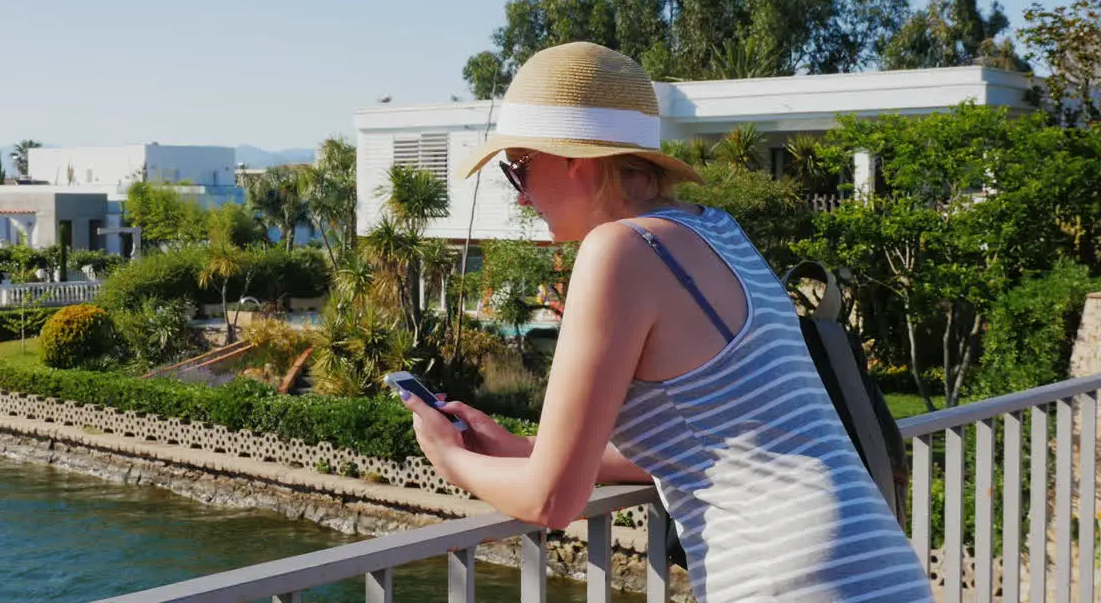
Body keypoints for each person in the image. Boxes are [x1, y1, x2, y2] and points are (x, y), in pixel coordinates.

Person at [396, 42, 932, 602]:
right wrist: (525, 448)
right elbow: (717, 435)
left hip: (789, 579)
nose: (524, 197)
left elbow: (552, 501)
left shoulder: (618, 251)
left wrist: (449, 458)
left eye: (519, 170)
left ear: (574, 158)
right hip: (878, 567)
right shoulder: (719, 232)